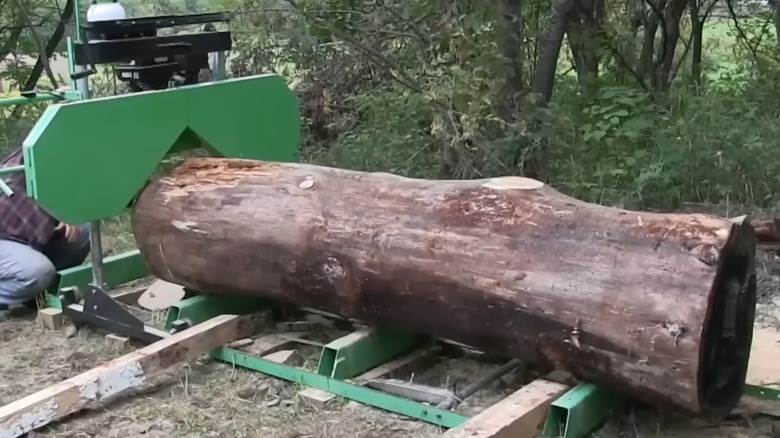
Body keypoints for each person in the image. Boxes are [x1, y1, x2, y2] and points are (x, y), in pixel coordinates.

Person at [0, 147, 90, 320]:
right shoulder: (27, 158)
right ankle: (20, 289)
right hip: (4, 239)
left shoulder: (64, 166)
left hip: (27, 241)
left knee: (85, 232)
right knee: (39, 271)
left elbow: (67, 196)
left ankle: (34, 293)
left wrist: (66, 213)